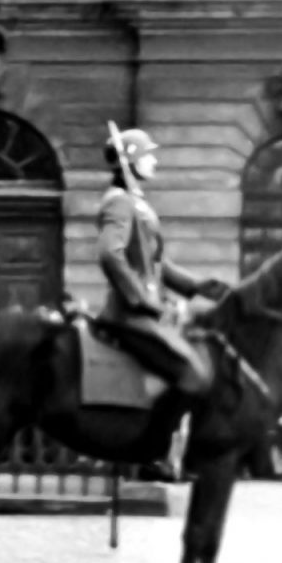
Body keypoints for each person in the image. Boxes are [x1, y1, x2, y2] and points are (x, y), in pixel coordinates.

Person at [95, 127, 227, 398]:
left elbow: (155, 262)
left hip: (148, 310)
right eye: (147, 155)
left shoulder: (136, 203)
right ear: (130, 162)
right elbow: (110, 253)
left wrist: (198, 286)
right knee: (195, 374)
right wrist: (139, 298)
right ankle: (161, 439)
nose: (153, 161)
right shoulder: (119, 203)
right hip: (131, 315)